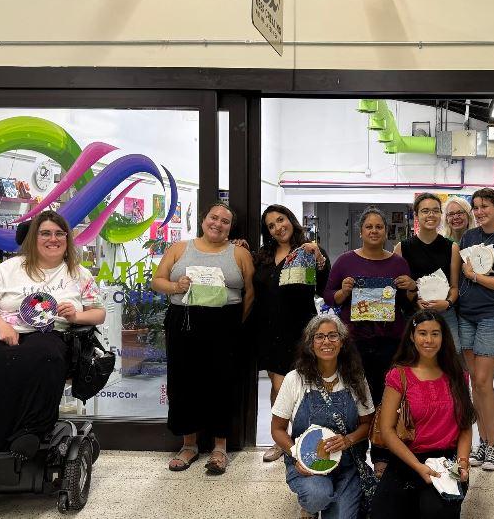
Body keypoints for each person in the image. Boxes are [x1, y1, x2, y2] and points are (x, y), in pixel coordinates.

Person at [0, 210, 105, 469]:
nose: (53, 239)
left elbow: (99, 313)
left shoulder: (78, 274)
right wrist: (1, 326)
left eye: (59, 233)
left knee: (44, 355)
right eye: (45, 233)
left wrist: (76, 315)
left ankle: (30, 431)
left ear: (67, 238)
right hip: (3, 327)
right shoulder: (9, 269)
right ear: (33, 238)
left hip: (50, 331)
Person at [152, 201, 255, 475]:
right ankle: (189, 445)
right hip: (183, 322)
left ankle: (220, 448)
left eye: (225, 221)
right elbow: (157, 281)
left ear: (230, 228)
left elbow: (250, 292)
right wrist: (176, 286)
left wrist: (234, 322)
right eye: (213, 217)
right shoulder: (179, 248)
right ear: (203, 220)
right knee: (183, 382)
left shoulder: (240, 253)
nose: (217, 223)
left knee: (223, 383)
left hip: (225, 324)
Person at [324, 207, 415, 473]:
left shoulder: (398, 263)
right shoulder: (345, 261)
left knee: (387, 398)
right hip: (355, 342)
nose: (374, 231)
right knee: (356, 396)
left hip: (390, 341)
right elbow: (329, 296)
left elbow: (407, 304)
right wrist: (343, 292)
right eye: (369, 227)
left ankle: (382, 455)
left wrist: (411, 287)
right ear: (361, 231)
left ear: (386, 231)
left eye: (379, 227)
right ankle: (354, 453)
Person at [371, 310, 475, 519]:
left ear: (443, 337)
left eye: (435, 334)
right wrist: (417, 466)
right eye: (422, 333)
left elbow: (465, 426)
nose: (429, 340)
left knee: (436, 510)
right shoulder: (398, 375)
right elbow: (387, 430)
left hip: (446, 461)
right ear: (412, 336)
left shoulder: (458, 375)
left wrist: (463, 463)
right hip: (407, 457)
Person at [271, 315, 375, 519]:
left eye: (333, 336)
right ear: (310, 344)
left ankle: (334, 498)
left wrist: (348, 440)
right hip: (308, 464)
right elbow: (277, 429)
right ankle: (311, 504)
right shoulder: (295, 379)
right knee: (317, 495)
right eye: (319, 337)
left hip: (347, 464)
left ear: (342, 342)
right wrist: (298, 455)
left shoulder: (355, 378)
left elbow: (367, 423)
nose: (326, 341)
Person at [253, 204, 331, 463]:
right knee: (278, 388)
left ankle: (308, 439)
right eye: (271, 225)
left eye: (281, 220)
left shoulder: (308, 251)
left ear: (291, 220)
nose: (278, 227)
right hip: (270, 329)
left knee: (305, 387)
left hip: (301, 329)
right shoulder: (263, 256)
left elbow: (324, 288)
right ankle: (280, 440)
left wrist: (319, 259)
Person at [457, 187, 494, 471]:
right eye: (476, 207)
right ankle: (482, 442)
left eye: (485, 207)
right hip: (466, 315)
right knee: (474, 383)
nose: (480, 212)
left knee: (483, 382)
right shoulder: (469, 237)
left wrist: (475, 276)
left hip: (492, 316)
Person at [394, 193, 461, 348]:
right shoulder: (402, 248)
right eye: (425, 211)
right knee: (414, 357)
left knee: (452, 355)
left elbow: (454, 287)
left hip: (444, 313)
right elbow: (398, 289)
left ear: (440, 214)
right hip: (414, 313)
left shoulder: (452, 247)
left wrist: (447, 303)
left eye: (435, 210)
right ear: (416, 215)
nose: (431, 215)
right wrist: (414, 301)